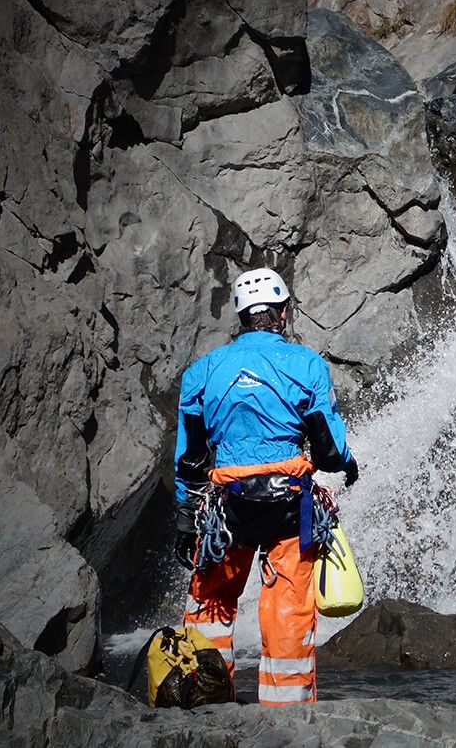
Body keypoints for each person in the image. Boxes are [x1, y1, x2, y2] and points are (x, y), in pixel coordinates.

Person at [172, 267, 359, 706]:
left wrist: (184, 515)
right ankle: (287, 713)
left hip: (226, 509)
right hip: (289, 508)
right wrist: (349, 466)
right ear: (283, 313)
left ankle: (204, 700)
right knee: (287, 608)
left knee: (210, 602)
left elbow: (191, 459)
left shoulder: (201, 372)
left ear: (240, 316)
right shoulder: (306, 364)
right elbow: (329, 453)